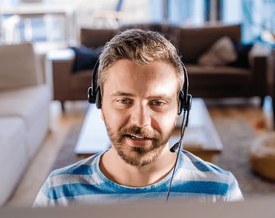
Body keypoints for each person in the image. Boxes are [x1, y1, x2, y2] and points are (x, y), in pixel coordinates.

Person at [34, 29, 243, 207]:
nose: (140, 122)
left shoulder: (221, 192)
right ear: (99, 102)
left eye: (157, 103)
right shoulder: (57, 194)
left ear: (180, 106)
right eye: (124, 101)